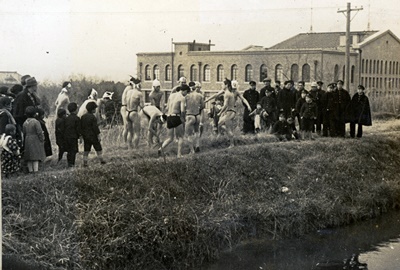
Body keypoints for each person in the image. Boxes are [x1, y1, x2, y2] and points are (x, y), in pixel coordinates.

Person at [205, 79, 252, 148]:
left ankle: (231, 142)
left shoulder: (233, 92)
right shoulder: (226, 91)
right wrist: (207, 100)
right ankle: (229, 135)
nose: (233, 89)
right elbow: (216, 94)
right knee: (220, 124)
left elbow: (242, 99)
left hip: (230, 110)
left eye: (234, 88)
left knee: (226, 127)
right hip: (227, 110)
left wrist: (248, 106)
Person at [158, 84, 189, 158]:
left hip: (169, 117)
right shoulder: (182, 97)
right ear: (184, 91)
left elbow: (167, 107)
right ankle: (179, 154)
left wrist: (163, 115)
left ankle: (160, 149)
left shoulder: (171, 95)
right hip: (176, 117)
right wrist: (183, 119)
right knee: (181, 136)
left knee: (170, 138)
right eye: (186, 92)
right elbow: (182, 111)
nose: (186, 94)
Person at [120, 77, 144, 149]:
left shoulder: (129, 92)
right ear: (139, 85)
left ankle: (129, 147)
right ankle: (136, 148)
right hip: (133, 112)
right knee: (137, 132)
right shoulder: (139, 93)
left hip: (127, 112)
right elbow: (142, 106)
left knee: (130, 132)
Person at [81, 102, 106, 167]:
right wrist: (98, 135)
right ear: (92, 109)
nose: (95, 110)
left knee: (86, 150)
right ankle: (101, 160)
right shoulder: (93, 117)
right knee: (98, 149)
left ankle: (85, 162)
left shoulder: (83, 117)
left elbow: (83, 127)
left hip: (86, 136)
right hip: (93, 136)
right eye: (94, 108)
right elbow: (95, 128)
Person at [22, 106, 45, 173]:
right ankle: (36, 170)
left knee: (29, 156)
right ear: (35, 114)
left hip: (27, 139)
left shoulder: (25, 122)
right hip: (35, 139)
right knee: (35, 156)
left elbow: (24, 132)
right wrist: (42, 139)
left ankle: (30, 170)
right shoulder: (36, 122)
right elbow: (39, 132)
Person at [185, 83, 205, 153]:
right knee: (197, 132)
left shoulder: (186, 96)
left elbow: (183, 106)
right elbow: (203, 106)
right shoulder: (200, 95)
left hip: (190, 115)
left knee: (189, 134)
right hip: (197, 115)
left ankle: (192, 151)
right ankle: (197, 145)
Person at [64, 102, 81, 167]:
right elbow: (78, 129)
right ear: (76, 109)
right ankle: (72, 163)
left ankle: (69, 163)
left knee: (69, 151)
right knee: (73, 151)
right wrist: (80, 136)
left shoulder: (66, 118)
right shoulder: (77, 118)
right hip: (74, 137)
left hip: (66, 136)